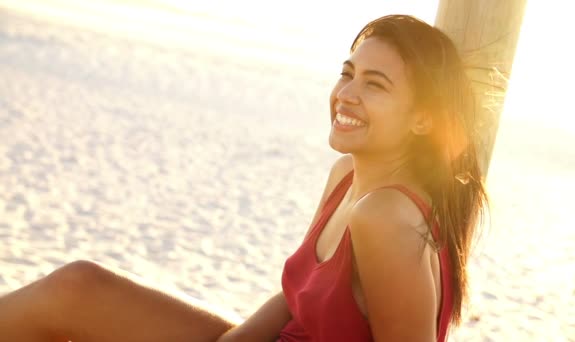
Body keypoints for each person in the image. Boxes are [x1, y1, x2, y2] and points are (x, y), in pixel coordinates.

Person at [0, 14, 487, 341]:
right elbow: (297, 298)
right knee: (76, 287)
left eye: (375, 85)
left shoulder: (386, 216)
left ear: (424, 118)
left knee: (74, 293)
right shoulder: (347, 178)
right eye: (347, 73)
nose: (347, 94)